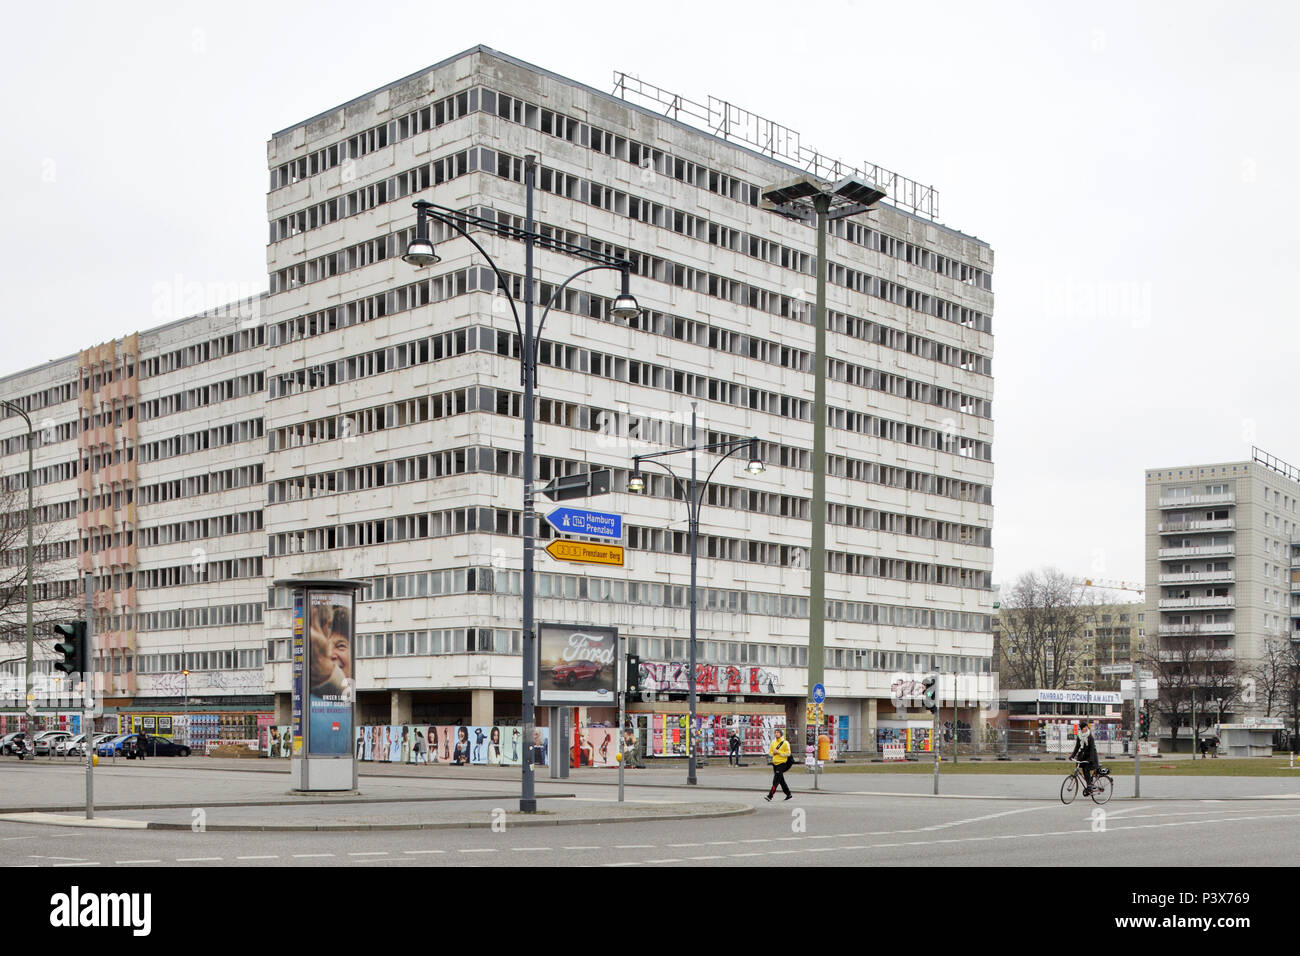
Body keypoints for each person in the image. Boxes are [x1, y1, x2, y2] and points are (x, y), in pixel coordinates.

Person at [1070, 720, 1101, 793]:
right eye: (1085, 727)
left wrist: (1091, 759)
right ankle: (1089, 785)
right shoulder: (1079, 736)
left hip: (1091, 756)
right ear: (1081, 729)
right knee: (1083, 768)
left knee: (1086, 768)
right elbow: (1077, 747)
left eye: (1087, 727)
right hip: (1083, 755)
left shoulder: (1090, 737)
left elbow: (1092, 748)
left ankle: (1089, 786)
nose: (1086, 728)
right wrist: (1072, 756)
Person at [765, 728, 793, 801]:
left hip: (782, 763)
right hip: (775, 763)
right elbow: (770, 752)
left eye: (778, 732)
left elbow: (788, 753)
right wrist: (773, 753)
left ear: (781, 734)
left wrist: (779, 752)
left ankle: (770, 795)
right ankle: (788, 794)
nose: (776, 734)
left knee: (776, 780)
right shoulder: (773, 742)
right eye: (775, 732)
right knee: (781, 780)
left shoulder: (785, 743)